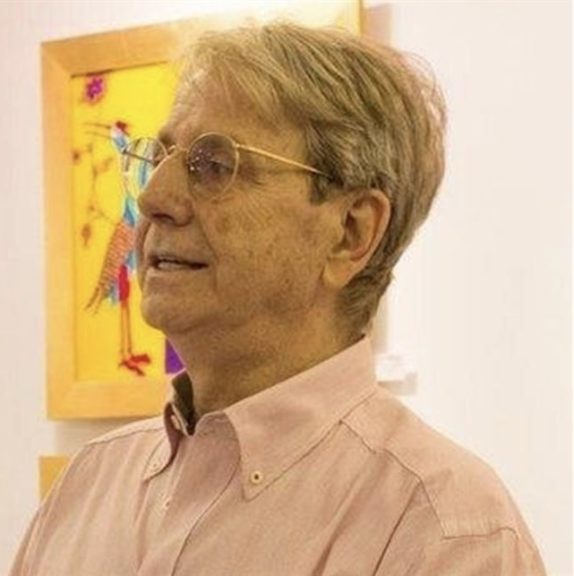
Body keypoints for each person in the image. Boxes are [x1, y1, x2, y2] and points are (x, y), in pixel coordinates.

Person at [11, 22, 546, 576]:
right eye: (159, 158)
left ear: (350, 232)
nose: (153, 198)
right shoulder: (89, 484)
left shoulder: (443, 532)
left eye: (213, 165)